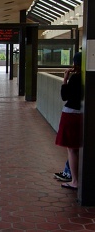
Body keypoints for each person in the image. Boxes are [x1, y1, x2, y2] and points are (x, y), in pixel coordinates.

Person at [55, 52, 82, 190]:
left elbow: (64, 96)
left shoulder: (76, 78)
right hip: (83, 115)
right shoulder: (87, 78)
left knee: (72, 149)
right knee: (78, 147)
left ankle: (75, 181)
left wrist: (65, 79)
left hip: (71, 114)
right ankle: (72, 175)